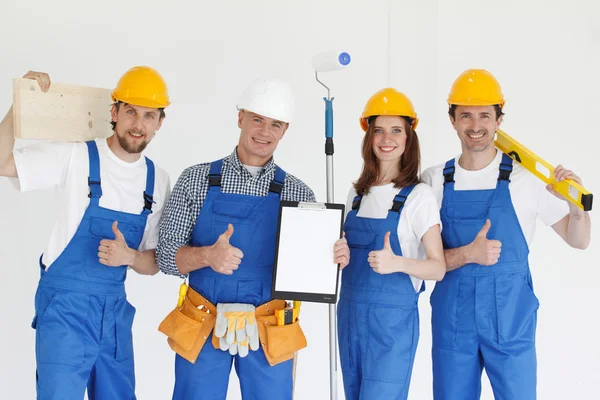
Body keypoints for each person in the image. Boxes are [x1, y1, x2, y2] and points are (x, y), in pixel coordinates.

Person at [156, 77, 350, 400]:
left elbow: (309, 273)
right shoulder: (196, 180)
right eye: (257, 119)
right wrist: (207, 256)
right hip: (203, 322)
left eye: (275, 124)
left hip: (269, 326)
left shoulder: (298, 193)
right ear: (240, 118)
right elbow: (165, 255)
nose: (264, 131)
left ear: (285, 130)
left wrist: (331, 257)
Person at [0, 67, 171, 399]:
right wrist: (18, 106)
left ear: (159, 122)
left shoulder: (157, 180)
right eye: (131, 112)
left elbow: (154, 263)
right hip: (66, 311)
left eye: (149, 116)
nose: (138, 124)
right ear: (114, 112)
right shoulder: (75, 156)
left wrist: (131, 257)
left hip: (115, 314)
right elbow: (1, 163)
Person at [422, 69, 591, 400]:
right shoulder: (434, 181)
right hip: (453, 325)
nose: (475, 126)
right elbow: (418, 259)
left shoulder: (525, 179)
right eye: (466, 116)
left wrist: (576, 203)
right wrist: (468, 254)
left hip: (511, 320)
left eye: (485, 115)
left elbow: (579, 239)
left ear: (499, 120)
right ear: (452, 120)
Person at [338, 88, 446, 400]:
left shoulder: (418, 196)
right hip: (349, 318)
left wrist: (398, 263)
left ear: (409, 137)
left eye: (396, 130)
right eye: (379, 130)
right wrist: (340, 255)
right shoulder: (356, 196)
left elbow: (438, 268)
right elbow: (342, 255)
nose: (387, 138)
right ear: (368, 137)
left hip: (392, 326)